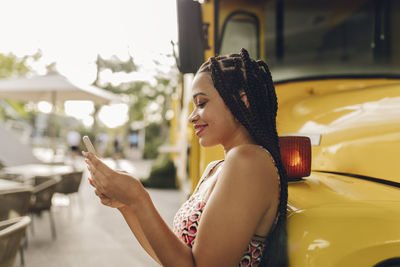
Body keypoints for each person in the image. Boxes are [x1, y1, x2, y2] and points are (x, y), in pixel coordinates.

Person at [83, 48, 288, 267]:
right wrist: (127, 205)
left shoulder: (249, 162)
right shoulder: (217, 167)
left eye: (201, 103)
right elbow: (173, 257)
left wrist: (138, 196)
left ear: (242, 101)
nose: (191, 117)